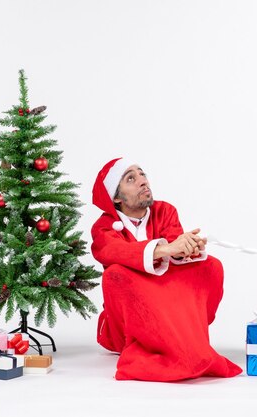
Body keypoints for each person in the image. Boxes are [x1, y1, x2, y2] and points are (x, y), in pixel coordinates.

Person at [91, 157, 242, 382]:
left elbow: (176, 249)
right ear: (115, 197)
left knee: (210, 266)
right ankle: (152, 350)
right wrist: (166, 249)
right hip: (127, 320)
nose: (142, 181)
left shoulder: (165, 211)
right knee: (114, 275)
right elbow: (114, 251)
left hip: (164, 295)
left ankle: (185, 338)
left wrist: (188, 247)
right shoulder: (102, 227)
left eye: (142, 174)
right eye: (131, 178)